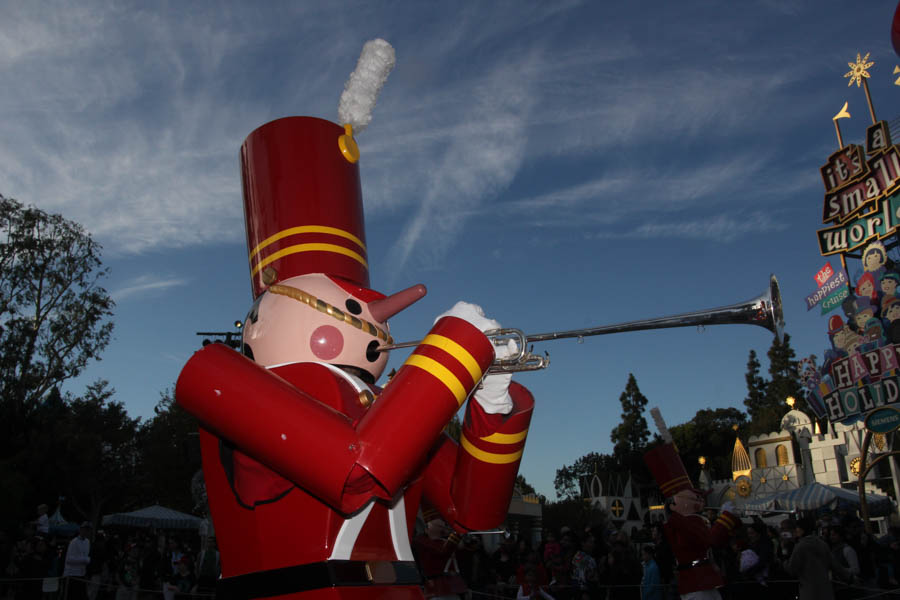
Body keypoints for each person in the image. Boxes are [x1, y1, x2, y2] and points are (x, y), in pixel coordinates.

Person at [175, 95, 537, 600]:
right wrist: (452, 350)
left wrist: (491, 402)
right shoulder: (223, 381)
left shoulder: (388, 405)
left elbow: (472, 513)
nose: (376, 322)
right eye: (353, 307)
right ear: (275, 308)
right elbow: (357, 472)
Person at [787, 517, 849, 600]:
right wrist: (849, 577)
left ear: (802, 529)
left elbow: (792, 569)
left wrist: (785, 562)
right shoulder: (822, 544)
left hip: (809, 592)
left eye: (797, 528)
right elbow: (835, 565)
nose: (795, 530)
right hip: (825, 591)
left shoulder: (800, 547)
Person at [62, 522, 92, 600]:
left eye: (88, 530)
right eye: (85, 529)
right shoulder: (73, 542)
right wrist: (85, 559)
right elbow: (69, 559)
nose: (86, 531)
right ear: (80, 530)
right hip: (71, 574)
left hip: (82, 574)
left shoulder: (87, 542)